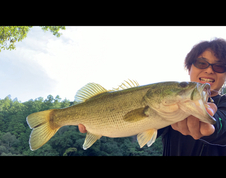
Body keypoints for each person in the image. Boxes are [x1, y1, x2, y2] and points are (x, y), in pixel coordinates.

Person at [78, 38, 226, 156]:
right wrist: (103, 123)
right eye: (202, 63)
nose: (209, 70)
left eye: (219, 66)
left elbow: (222, 122)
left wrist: (215, 124)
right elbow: (138, 128)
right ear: (189, 67)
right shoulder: (168, 105)